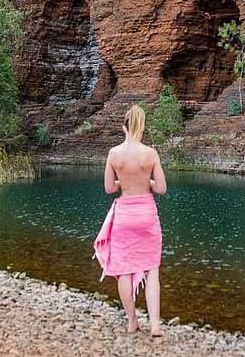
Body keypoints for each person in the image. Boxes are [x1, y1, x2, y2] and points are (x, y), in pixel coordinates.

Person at [92, 104, 167, 337]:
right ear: (142, 127)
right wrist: (149, 184)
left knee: (124, 271)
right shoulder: (151, 154)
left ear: (124, 127)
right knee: (152, 269)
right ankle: (155, 325)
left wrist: (122, 184)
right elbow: (162, 189)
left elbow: (108, 188)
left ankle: (132, 321)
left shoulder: (114, 154)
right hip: (146, 215)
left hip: (125, 214)